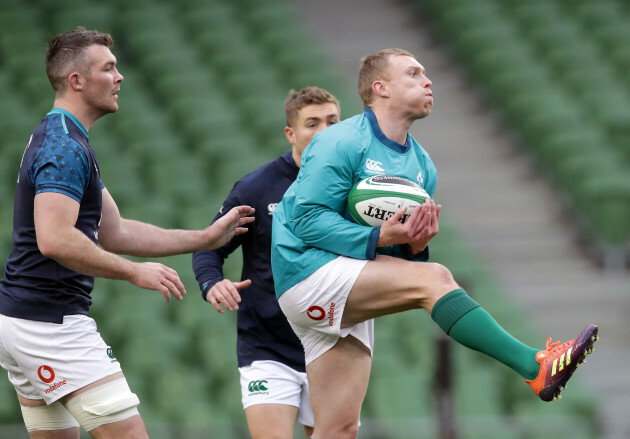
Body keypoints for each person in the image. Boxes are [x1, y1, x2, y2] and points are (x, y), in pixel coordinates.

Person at [270, 48, 599, 439]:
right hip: (306, 271)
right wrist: (384, 239)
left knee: (338, 430)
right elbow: (307, 221)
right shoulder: (339, 141)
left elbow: (390, 254)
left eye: (426, 73)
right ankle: (536, 366)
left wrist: (413, 245)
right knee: (435, 278)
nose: (427, 81)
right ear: (381, 88)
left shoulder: (422, 166)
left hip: (346, 283)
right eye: (413, 74)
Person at [0, 27, 254, 439]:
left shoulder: (69, 140)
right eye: (109, 69)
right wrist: (134, 273)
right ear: (76, 81)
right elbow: (54, 238)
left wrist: (206, 239)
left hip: (25, 319)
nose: (120, 78)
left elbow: (116, 231)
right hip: (49, 324)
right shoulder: (63, 146)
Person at [192, 86, 341, 439]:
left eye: (332, 122)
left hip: (333, 344)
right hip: (268, 347)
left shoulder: (357, 190)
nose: (323, 131)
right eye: (312, 123)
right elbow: (208, 248)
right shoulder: (257, 189)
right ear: (291, 133)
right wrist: (212, 283)